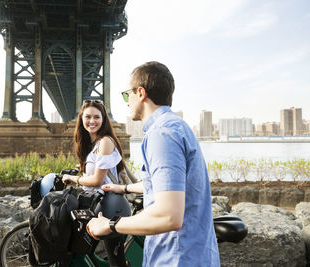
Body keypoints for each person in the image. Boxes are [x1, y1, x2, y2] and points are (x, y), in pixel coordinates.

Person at [86, 61, 220, 266]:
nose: (127, 101)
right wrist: (124, 187)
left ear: (140, 93)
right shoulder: (175, 126)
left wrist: (110, 225)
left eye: (126, 94)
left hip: (176, 257)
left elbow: (169, 216)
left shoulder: (162, 134)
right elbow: (164, 185)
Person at [61, 99, 129, 267]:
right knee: (82, 249)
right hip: (98, 203)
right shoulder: (92, 144)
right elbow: (95, 173)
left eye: (97, 117)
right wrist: (80, 171)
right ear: (81, 119)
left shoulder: (105, 142)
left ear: (104, 119)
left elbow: (97, 180)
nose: (92, 121)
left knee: (116, 261)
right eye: (88, 117)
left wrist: (73, 179)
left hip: (111, 205)